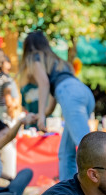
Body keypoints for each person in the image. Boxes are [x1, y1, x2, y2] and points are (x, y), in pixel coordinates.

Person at [21, 30, 96, 181]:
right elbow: (54, 92)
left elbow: (44, 83)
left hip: (70, 95)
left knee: (86, 147)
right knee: (66, 152)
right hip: (84, 92)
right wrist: (44, 113)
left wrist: (41, 116)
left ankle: (103, 186)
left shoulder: (35, 57)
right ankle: (68, 189)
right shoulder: (56, 60)